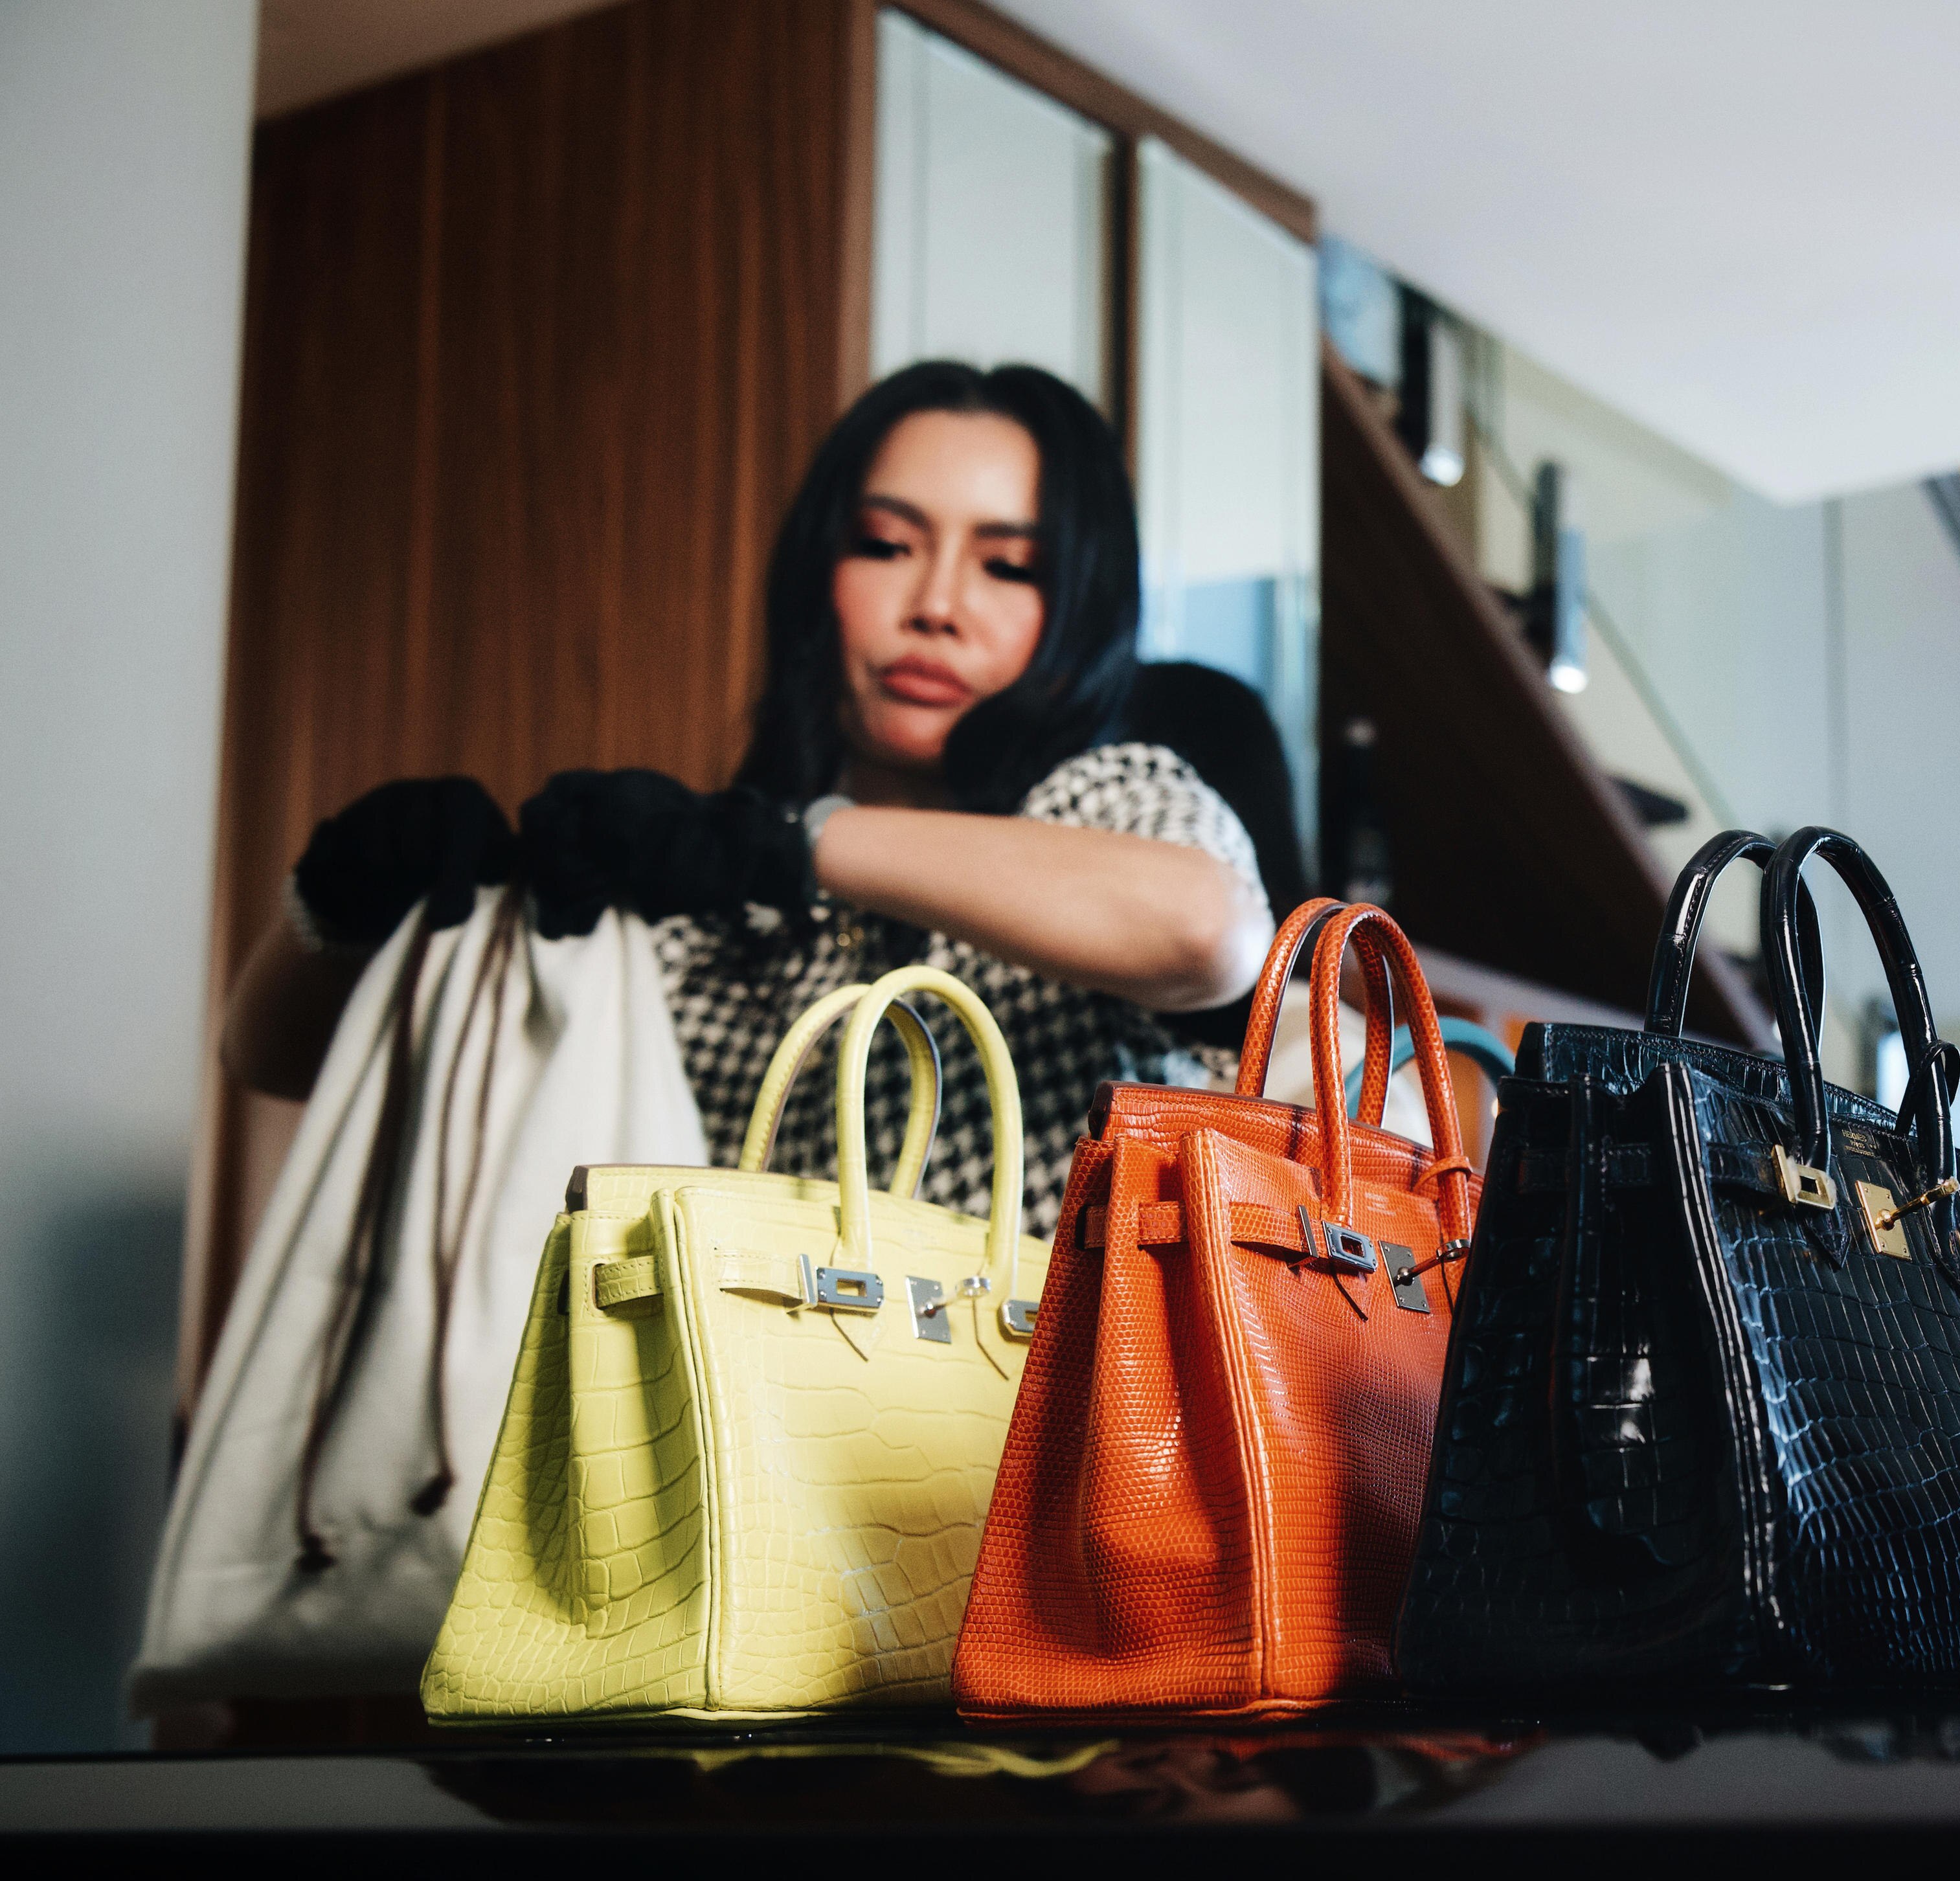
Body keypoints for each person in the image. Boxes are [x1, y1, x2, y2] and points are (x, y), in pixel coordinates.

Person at [224, 361, 1295, 1239]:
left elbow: (1210, 932)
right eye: (886, 546)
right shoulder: (697, 881)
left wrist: (801, 842)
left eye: (1007, 565)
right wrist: (338, 899)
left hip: (1013, 1478)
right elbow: (266, 1059)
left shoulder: (1102, 799)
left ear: (1078, 610)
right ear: (816, 574)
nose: (936, 606)